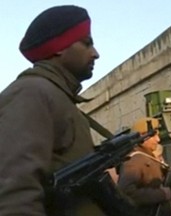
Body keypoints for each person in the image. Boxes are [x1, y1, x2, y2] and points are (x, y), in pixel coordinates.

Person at [0, 5, 106, 216]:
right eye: (87, 43)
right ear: (59, 46)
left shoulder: (58, 98)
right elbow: (16, 196)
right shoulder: (32, 94)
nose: (96, 54)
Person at [117, 117, 171, 215]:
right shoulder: (134, 160)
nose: (158, 139)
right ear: (143, 136)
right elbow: (126, 193)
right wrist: (162, 194)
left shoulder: (146, 156)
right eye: (154, 136)